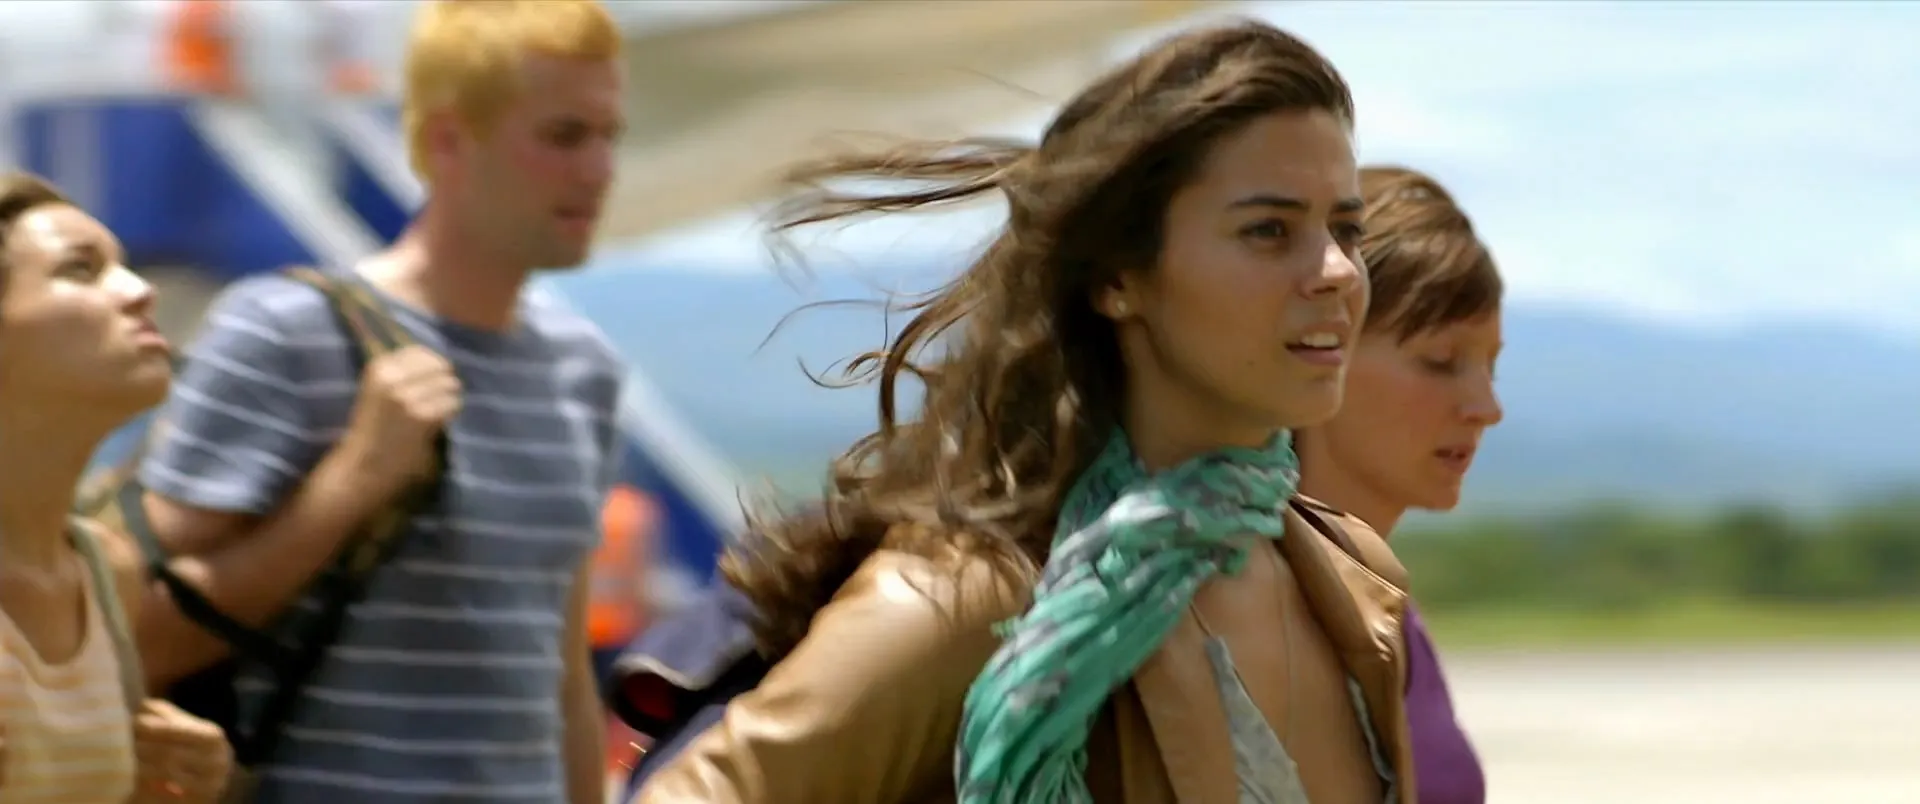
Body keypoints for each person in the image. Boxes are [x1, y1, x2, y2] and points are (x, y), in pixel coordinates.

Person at [634, 20, 1422, 804]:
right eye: (1268, 231)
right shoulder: (971, 598)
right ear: (1118, 278)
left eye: (1346, 230)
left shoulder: (1353, 577)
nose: (1336, 271)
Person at [127, 2, 628, 803]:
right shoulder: (287, 332)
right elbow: (136, 633)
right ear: (449, 141)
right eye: (565, 136)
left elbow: (561, 673)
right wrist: (353, 480)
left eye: (610, 136)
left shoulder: (583, 368)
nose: (600, 169)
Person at [0, 172, 232, 803]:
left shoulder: (108, 571)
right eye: (80, 270)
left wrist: (173, 784)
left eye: (124, 265)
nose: (139, 289)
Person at [1296, 165, 1504, 804]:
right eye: (1441, 362)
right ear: (1322, 350)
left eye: (1490, 366)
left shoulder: (1391, 612)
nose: (1486, 407)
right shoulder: (1250, 612)